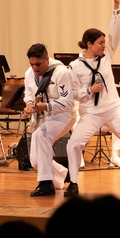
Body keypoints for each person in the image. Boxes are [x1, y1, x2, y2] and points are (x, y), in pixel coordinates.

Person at [66, 0, 120, 197]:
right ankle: (73, 183)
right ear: (89, 44)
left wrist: (116, 8)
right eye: (100, 43)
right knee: (74, 143)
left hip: (113, 109)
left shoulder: (107, 56)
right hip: (91, 112)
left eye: (104, 42)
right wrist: (89, 90)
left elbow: (115, 33)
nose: (104, 45)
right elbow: (75, 94)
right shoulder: (74, 66)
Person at [22, 44, 76, 197]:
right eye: (31, 64)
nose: (34, 68)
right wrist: (28, 105)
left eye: (38, 64)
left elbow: (68, 102)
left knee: (41, 135)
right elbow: (28, 94)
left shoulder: (62, 72)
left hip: (64, 115)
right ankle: (62, 175)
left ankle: (45, 184)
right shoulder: (29, 73)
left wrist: (46, 106)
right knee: (35, 161)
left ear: (47, 59)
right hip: (42, 116)